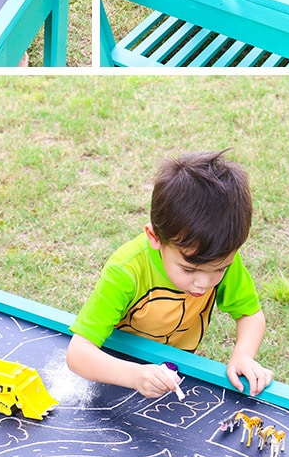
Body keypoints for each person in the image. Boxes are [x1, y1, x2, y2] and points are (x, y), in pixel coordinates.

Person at [66, 151, 271, 399]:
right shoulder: (126, 270)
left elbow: (249, 313)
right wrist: (135, 375)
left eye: (219, 269)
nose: (204, 283)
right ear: (155, 238)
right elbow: (78, 353)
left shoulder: (219, 255)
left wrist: (243, 355)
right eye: (189, 269)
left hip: (169, 375)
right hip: (113, 373)